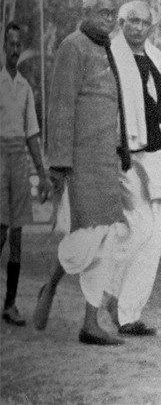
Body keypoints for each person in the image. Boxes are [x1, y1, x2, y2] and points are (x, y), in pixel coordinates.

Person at [33, 0, 130, 345]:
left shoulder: (108, 50)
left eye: (113, 12)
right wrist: (58, 166)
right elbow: (60, 109)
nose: (109, 18)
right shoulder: (72, 47)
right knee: (86, 238)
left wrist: (122, 148)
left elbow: (114, 107)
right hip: (80, 164)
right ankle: (51, 284)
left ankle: (90, 322)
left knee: (108, 240)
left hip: (106, 162)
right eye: (102, 11)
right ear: (86, 12)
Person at [100, 0, 161, 336]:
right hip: (125, 151)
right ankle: (108, 293)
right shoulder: (110, 55)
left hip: (157, 149)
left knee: (156, 233)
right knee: (137, 226)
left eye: (144, 23)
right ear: (121, 22)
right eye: (132, 21)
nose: (138, 28)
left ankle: (129, 313)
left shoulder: (155, 56)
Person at [0, 22, 51, 326]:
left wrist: (42, 174)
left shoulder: (25, 88)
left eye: (18, 44)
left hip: (19, 161)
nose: (15, 49)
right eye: (10, 44)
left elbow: (32, 133)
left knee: (17, 236)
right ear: (3, 47)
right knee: (0, 232)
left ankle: (10, 304)